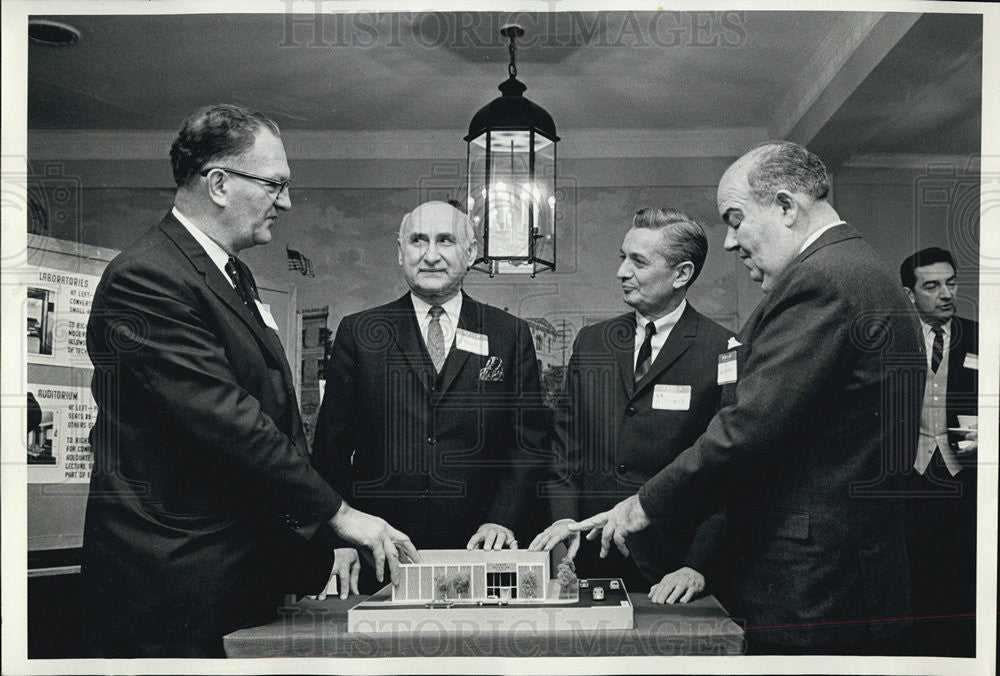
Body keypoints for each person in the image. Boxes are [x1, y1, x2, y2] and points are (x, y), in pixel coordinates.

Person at [81, 104, 417, 658]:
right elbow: (229, 422)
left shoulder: (227, 273)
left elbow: (273, 415)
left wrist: (318, 533)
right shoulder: (146, 278)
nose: (285, 202)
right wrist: (337, 514)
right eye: (275, 184)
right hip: (175, 590)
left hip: (230, 577)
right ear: (218, 184)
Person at [570, 141, 926, 654]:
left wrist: (640, 506)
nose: (732, 242)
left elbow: (747, 431)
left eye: (736, 220)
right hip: (844, 572)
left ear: (785, 207)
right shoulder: (858, 268)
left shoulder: (822, 281)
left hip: (816, 581)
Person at [311, 200, 548, 591]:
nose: (431, 255)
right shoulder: (360, 332)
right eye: (418, 240)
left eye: (446, 241)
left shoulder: (509, 334)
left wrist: (502, 518)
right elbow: (331, 448)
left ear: (470, 253)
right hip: (380, 551)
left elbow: (529, 444)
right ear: (400, 251)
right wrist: (341, 539)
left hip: (481, 547)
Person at [530, 207, 731, 605]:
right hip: (586, 556)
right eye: (622, 257)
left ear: (681, 274)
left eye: (638, 261)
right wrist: (564, 521)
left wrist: (698, 565)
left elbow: (726, 474)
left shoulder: (723, 350)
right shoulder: (592, 343)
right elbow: (565, 448)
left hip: (671, 571)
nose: (621, 271)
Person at [899, 246, 978, 656]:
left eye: (951, 283)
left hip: (964, 474)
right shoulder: (891, 340)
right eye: (931, 286)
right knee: (913, 575)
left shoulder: (982, 336)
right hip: (907, 475)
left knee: (960, 574)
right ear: (910, 295)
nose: (945, 293)